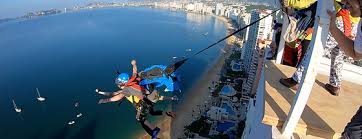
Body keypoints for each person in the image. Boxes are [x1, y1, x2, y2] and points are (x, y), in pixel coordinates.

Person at [279, 0, 361, 96]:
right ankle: (335, 84)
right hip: (354, 25)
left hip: (340, 20)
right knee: (338, 55)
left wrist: (290, 2)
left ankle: (297, 80)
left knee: (316, 49)